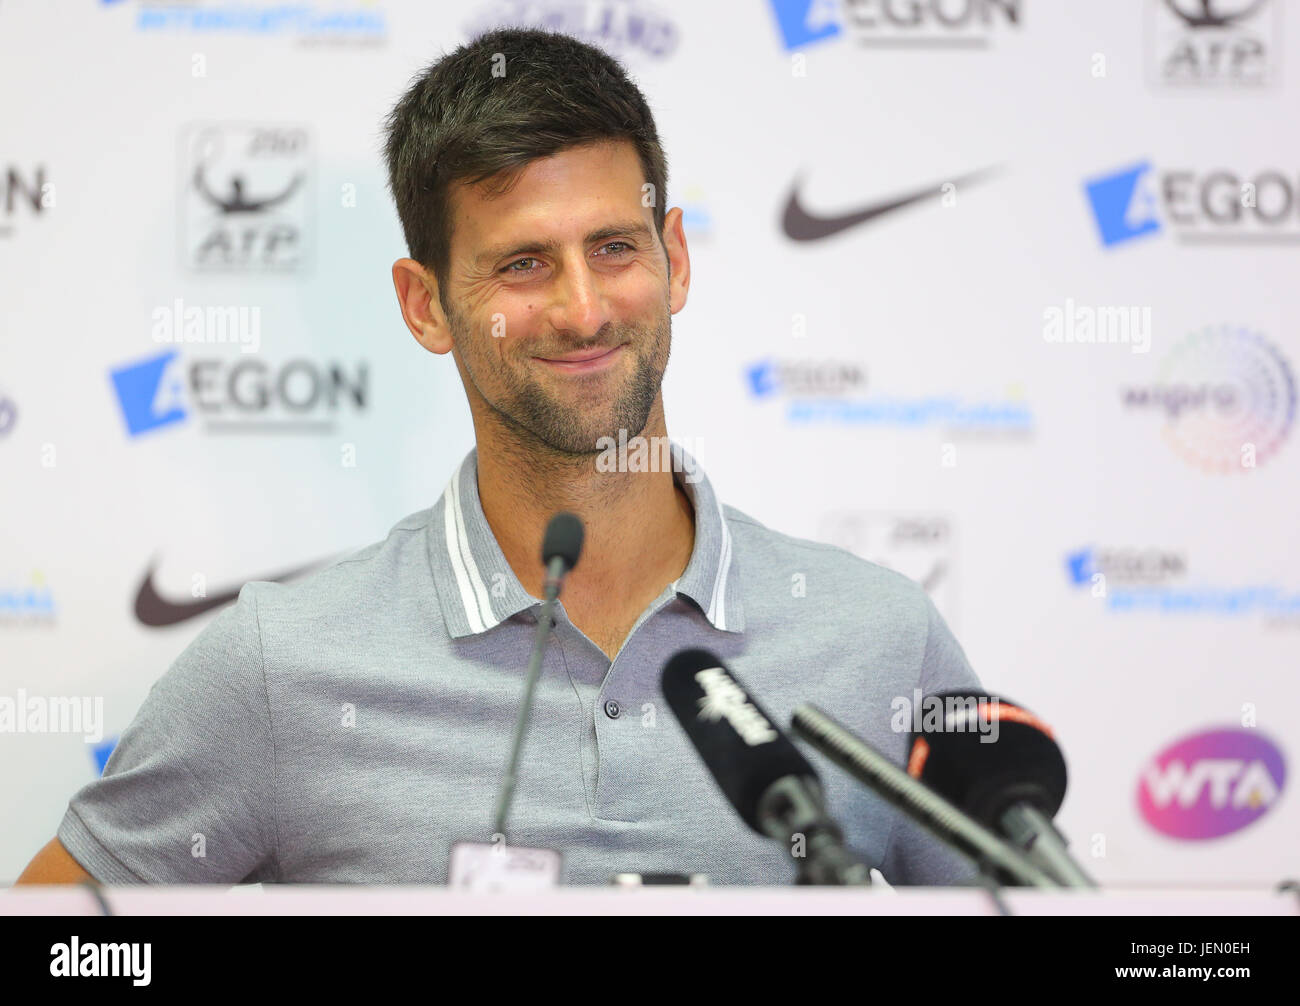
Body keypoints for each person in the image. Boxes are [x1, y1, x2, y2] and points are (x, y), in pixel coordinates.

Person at [18, 26, 981, 887]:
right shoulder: (285, 665)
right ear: (424, 303)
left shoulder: (879, 637)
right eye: (523, 264)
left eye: (614, 247)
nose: (584, 308)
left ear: (675, 258)